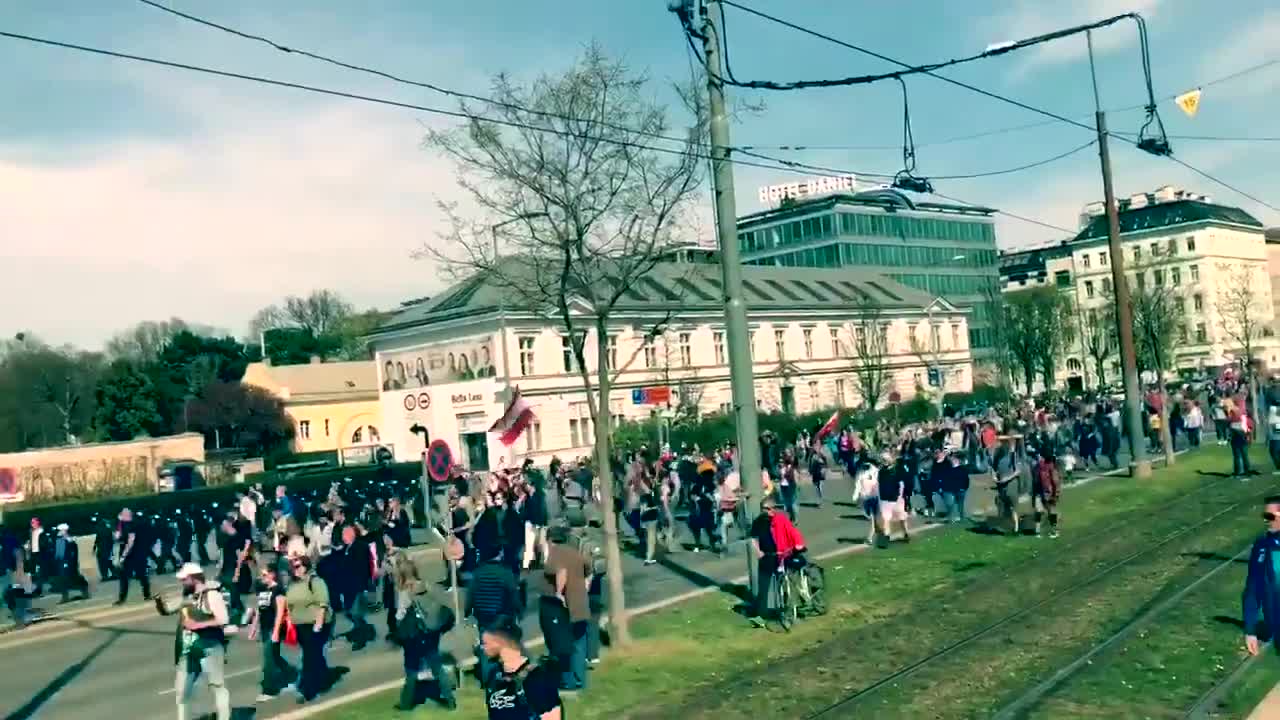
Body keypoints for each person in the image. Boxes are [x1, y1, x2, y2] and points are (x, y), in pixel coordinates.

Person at [158, 563, 231, 720]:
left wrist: (198, 625)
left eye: (185, 579)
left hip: (209, 648)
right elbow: (167, 610)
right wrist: (158, 601)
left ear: (195, 579)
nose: (182, 583)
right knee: (182, 692)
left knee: (217, 687)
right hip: (188, 650)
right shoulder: (187, 596)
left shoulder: (211, 595)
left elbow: (223, 619)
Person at [392, 555, 457, 711]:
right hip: (430, 633)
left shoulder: (404, 592)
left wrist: (398, 623)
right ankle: (450, 701)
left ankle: (406, 703)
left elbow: (400, 615)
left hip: (414, 636)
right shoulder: (426, 585)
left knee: (411, 671)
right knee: (437, 668)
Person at [481, 621, 563, 720]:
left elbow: (552, 717)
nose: (482, 648)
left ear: (500, 642)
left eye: (485, 643)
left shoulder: (538, 676)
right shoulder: (494, 675)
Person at [543, 525, 592, 691]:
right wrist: (586, 585)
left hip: (566, 607)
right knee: (579, 643)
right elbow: (589, 568)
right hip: (581, 604)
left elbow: (561, 572)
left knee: (564, 644)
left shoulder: (555, 554)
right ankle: (580, 680)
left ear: (550, 540)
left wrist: (559, 593)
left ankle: (568, 680)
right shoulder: (575, 552)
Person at [466, 547, 523, 681]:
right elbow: (513, 594)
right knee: (506, 646)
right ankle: (508, 675)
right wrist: (519, 610)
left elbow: (471, 594)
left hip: (483, 616)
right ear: (499, 554)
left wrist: (467, 611)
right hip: (502, 616)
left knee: (487, 649)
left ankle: (489, 680)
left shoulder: (478, 573)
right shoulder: (505, 572)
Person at [245, 562, 297, 702]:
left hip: (275, 629)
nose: (262, 577)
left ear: (272, 574)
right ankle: (291, 674)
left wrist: (275, 632)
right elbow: (258, 611)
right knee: (274, 656)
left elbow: (280, 613)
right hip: (265, 628)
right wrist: (253, 629)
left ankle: (269, 690)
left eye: (264, 574)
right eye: (261, 575)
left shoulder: (278, 590)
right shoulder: (262, 590)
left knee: (268, 660)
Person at [285, 556, 335, 702]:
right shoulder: (293, 585)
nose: (295, 569)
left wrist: (318, 626)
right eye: (293, 567)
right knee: (314, 655)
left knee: (309, 657)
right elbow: (290, 604)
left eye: (298, 566)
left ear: (306, 566)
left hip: (315, 625)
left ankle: (308, 690)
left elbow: (323, 604)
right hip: (299, 626)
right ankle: (323, 680)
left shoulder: (315, 582)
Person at [1244, 496, 1280, 658]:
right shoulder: (1262, 545)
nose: (1266, 521)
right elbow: (1253, 587)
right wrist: (1250, 630)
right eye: (1265, 516)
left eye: (1270, 516)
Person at [116, 508, 152, 604]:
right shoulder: (124, 525)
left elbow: (130, 542)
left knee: (132, 576)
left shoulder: (132, 525)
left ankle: (123, 599)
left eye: (122, 515)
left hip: (133, 554)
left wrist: (123, 556)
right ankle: (146, 595)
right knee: (137, 576)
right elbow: (117, 537)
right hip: (137, 554)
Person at [52, 523, 90, 603]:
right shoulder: (59, 539)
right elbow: (58, 552)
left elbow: (71, 552)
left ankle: (83, 592)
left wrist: (69, 562)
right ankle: (66, 596)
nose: (58, 532)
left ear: (64, 531)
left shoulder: (69, 540)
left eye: (60, 530)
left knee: (71, 578)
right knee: (64, 579)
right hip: (62, 562)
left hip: (68, 562)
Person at [1031, 451, 1062, 538]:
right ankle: (1037, 531)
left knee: (1051, 512)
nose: (1039, 457)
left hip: (1048, 493)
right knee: (1038, 511)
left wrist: (1055, 494)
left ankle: (1055, 531)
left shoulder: (1051, 468)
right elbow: (1035, 480)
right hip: (1039, 492)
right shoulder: (1037, 467)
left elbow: (1055, 482)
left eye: (1040, 456)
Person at [851, 458, 880, 546]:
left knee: (872, 518)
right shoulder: (860, 473)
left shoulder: (875, 471)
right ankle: (877, 531)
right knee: (873, 518)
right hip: (866, 498)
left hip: (874, 498)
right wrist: (855, 496)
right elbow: (857, 485)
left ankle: (870, 538)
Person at [1268, 405, 1280, 475]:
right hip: (1274, 437)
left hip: (1276, 438)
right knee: (1274, 452)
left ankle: (1279, 468)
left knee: (1274, 452)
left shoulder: (1274, 409)